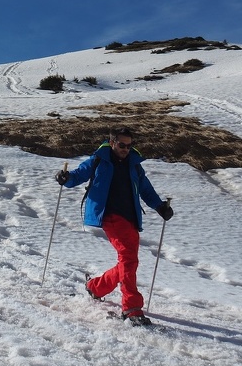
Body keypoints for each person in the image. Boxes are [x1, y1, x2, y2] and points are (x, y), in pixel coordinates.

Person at [56, 127, 173, 326]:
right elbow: (79, 174)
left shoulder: (134, 164)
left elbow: (145, 188)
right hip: (109, 215)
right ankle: (131, 308)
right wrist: (66, 178)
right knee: (128, 258)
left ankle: (95, 287)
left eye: (129, 145)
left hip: (131, 218)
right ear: (112, 143)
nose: (126, 149)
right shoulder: (99, 159)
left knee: (128, 262)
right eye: (121, 145)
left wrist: (160, 206)